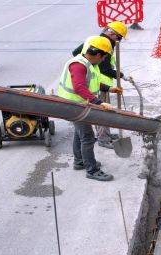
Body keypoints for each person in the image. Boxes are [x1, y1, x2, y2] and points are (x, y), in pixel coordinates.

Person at [58, 36, 122, 181]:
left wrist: (110, 89)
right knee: (87, 137)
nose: (102, 60)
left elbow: (91, 82)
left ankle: (80, 161)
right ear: (98, 54)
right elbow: (79, 87)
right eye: (103, 57)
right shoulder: (78, 65)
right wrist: (99, 102)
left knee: (79, 133)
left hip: (77, 104)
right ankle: (92, 170)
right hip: (74, 105)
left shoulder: (88, 63)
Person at [72, 21, 128, 149]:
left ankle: (106, 134)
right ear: (112, 33)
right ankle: (103, 138)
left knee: (102, 111)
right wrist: (120, 75)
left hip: (99, 83)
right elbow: (105, 69)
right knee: (102, 112)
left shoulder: (96, 40)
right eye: (119, 37)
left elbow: (75, 52)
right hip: (100, 84)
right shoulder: (103, 45)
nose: (119, 40)